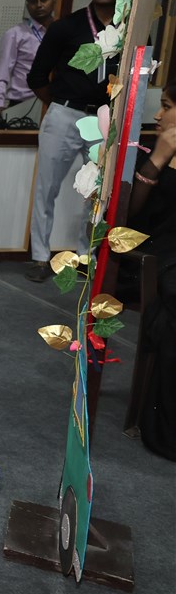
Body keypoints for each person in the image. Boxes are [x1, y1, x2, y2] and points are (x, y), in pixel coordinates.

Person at [24, 0, 123, 281]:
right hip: (64, 114)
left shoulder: (129, 28)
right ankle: (40, 257)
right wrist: (60, 104)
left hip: (104, 119)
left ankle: (85, 258)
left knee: (96, 192)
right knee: (47, 188)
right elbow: (37, 76)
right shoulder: (67, 27)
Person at [130, 79, 176, 459]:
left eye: (167, 106)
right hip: (156, 261)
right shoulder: (150, 151)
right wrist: (159, 159)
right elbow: (130, 219)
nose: (158, 114)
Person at [0, 0, 56, 115]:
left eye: (44, 0)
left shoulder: (62, 32)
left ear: (54, 1)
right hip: (22, 104)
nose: (39, 5)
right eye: (33, 1)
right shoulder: (15, 34)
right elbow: (2, 72)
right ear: (27, 5)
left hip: (57, 103)